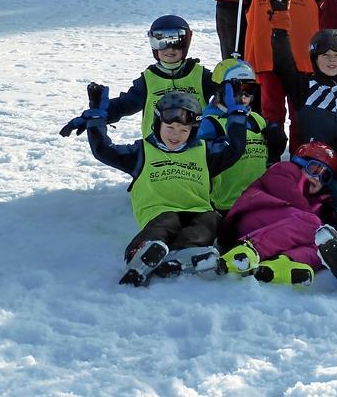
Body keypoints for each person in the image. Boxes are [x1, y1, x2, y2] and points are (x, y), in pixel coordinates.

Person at [83, 87, 246, 286]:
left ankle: (183, 254)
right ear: (157, 124)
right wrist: (96, 119)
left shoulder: (204, 152)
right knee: (166, 223)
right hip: (160, 210)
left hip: (198, 209)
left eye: (184, 130)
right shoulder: (142, 152)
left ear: (192, 130)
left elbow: (235, 150)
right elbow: (104, 151)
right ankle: (141, 253)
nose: (176, 135)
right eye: (170, 128)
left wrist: (237, 114)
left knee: (210, 221)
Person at [221, 0, 335, 151]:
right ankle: (268, 155)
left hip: (301, 64)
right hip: (264, 63)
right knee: (269, 113)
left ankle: (300, 155)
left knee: (300, 113)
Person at [218, 141, 337, 291]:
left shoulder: (314, 202)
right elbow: (287, 194)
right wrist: (315, 218)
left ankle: (281, 264)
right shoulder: (285, 171)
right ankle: (250, 250)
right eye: (314, 169)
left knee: (322, 247)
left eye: (324, 176)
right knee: (313, 225)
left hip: (279, 233)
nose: (317, 178)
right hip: (254, 219)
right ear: (300, 162)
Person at [59, 15, 215, 142]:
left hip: (197, 148)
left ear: (186, 43)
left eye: (177, 41)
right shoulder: (148, 80)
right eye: (161, 42)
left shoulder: (200, 76)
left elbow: (225, 99)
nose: (169, 49)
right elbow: (123, 105)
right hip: (157, 149)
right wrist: (97, 113)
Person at [271, 26, 337, 214]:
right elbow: (283, 64)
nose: (331, 60)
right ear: (315, 59)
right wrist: (280, 26)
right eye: (325, 55)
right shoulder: (304, 86)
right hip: (314, 175)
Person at [202, 57, 277, 212]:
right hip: (228, 206)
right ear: (219, 90)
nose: (243, 96)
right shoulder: (209, 124)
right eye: (236, 90)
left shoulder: (256, 120)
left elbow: (267, 159)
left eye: (248, 89)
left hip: (259, 198)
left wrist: (277, 142)